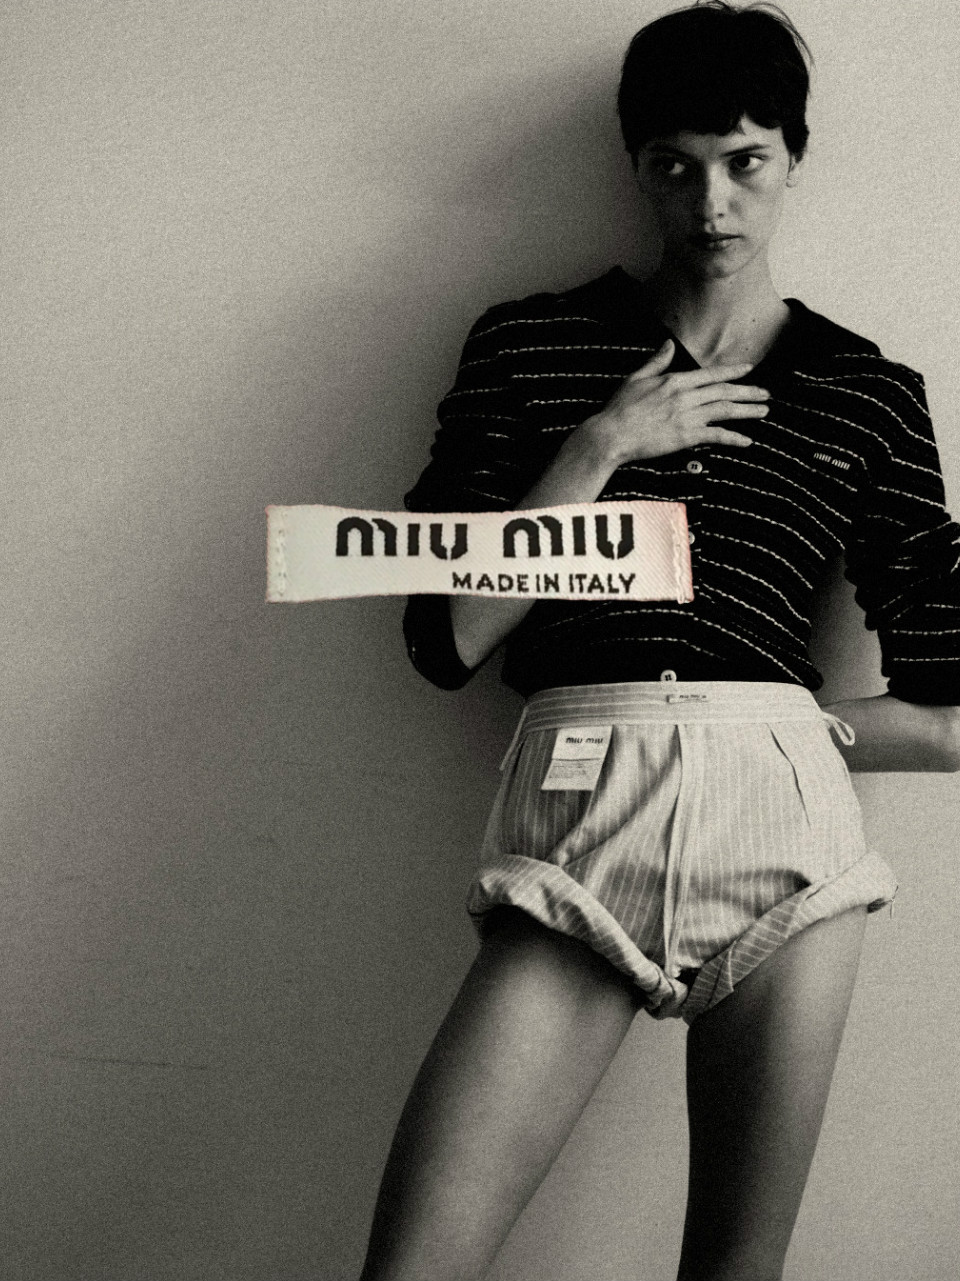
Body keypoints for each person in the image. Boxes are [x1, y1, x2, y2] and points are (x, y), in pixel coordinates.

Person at [360, 4, 960, 1279]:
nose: (712, 202)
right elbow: (443, 639)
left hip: (785, 819)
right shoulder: (529, 344)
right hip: (581, 809)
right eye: (675, 165)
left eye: (745, 161)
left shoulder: (867, 392)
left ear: (793, 158)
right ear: (636, 167)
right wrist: (598, 447)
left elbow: (953, 708)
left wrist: (797, 732)